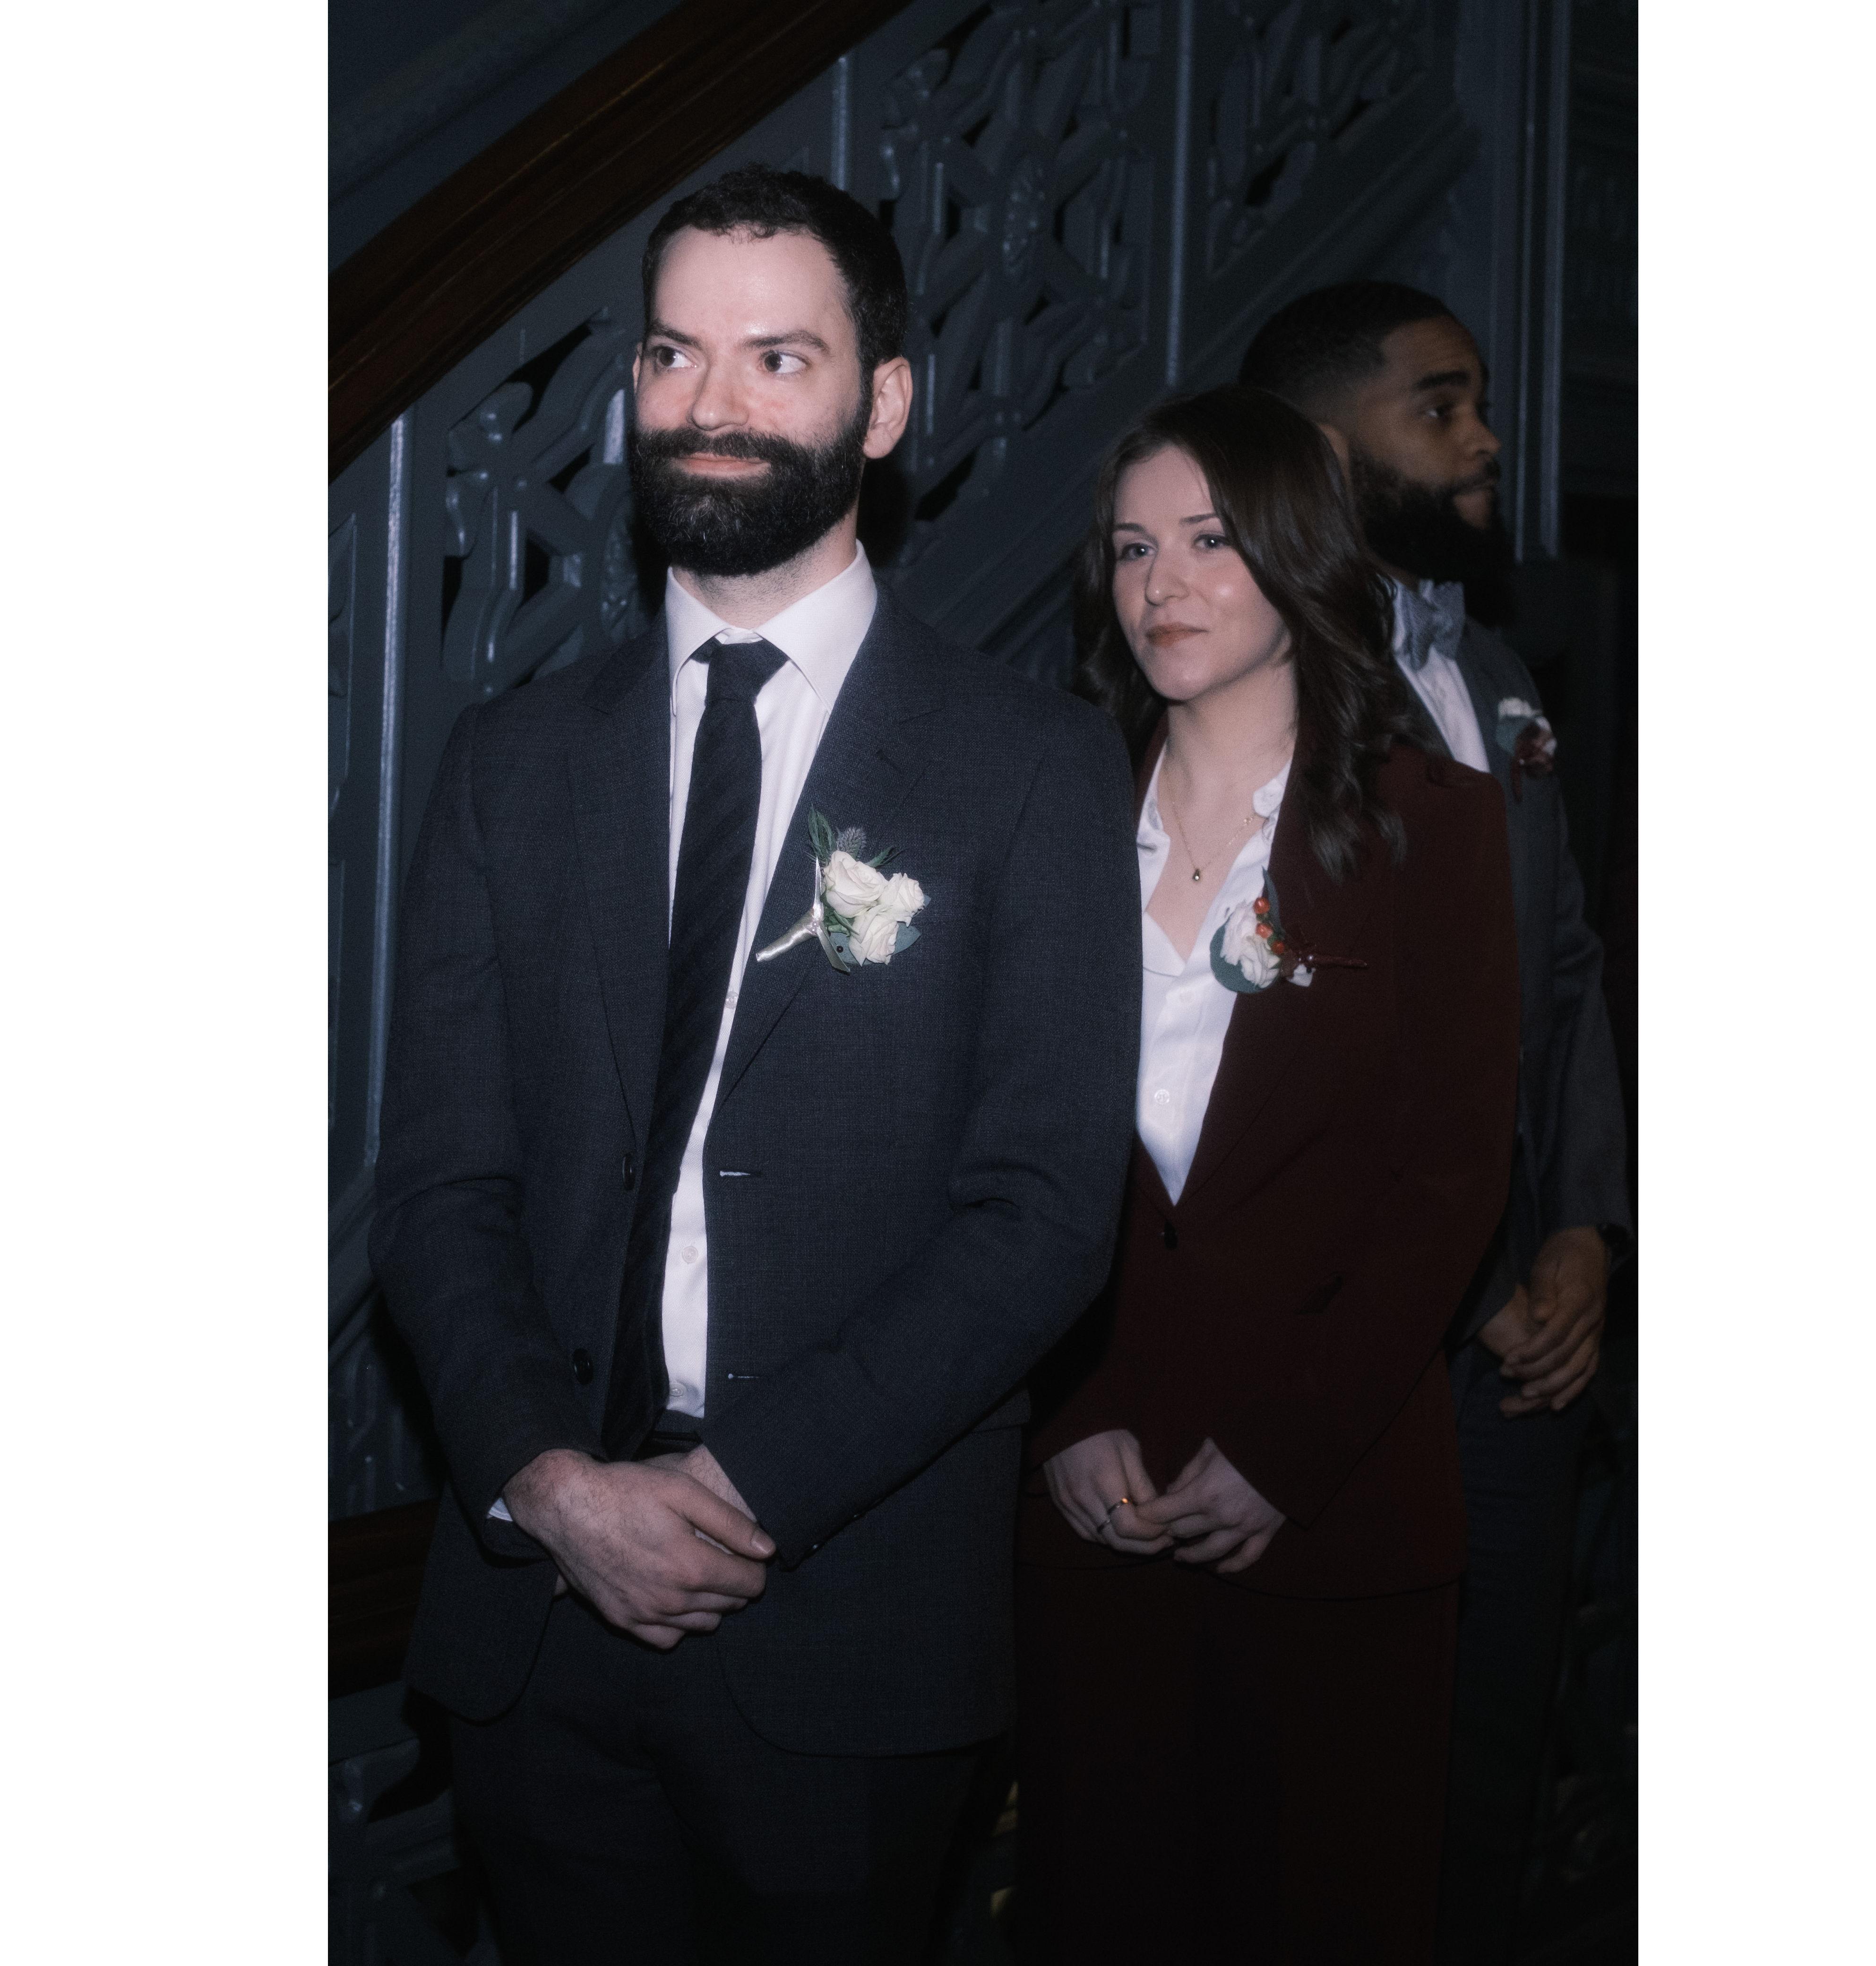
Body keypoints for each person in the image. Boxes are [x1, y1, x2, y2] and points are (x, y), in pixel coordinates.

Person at [369, 164, 1141, 1966]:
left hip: (847, 1620)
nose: (709, 404)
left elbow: (1042, 1216)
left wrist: (740, 1492)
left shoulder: (1030, 765)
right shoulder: (509, 762)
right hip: (535, 1619)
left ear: (883, 406)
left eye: (776, 358)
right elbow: (439, 1188)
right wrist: (554, 1484)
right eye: (672, 354)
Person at [1013, 386, 1520, 1963]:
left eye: (1209, 542)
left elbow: (1452, 1178)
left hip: (1341, 1509)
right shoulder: (1044, 814)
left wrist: (1290, 1449)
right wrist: (1066, 1409)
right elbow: (990, 1160)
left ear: (1298, 553)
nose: (1161, 585)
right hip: (1094, 1511)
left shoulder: (1431, 823)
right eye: (1132, 549)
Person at [1240, 281, 1634, 1963]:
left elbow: (1568, 970)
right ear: (1328, 452)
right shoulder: (1245, 673)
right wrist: (1453, 1280)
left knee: (1485, 1778)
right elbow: (1264, 1049)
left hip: (1526, 1350)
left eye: (1480, 402)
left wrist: (1587, 1233)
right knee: (1325, 1797)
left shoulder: (1495, 666)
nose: (1486, 439)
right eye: (1442, 406)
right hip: (1337, 1350)